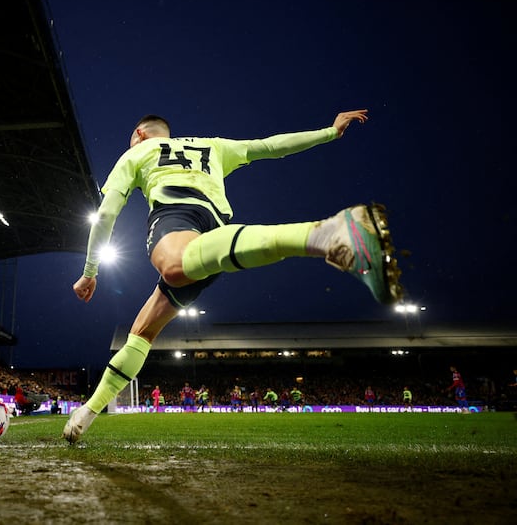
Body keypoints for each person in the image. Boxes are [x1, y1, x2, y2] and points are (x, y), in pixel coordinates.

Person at [63, 110, 404, 443]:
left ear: (139, 134)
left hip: (177, 215)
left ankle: (324, 235)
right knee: (142, 332)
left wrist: (90, 272)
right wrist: (328, 132)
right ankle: (87, 413)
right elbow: (271, 146)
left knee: (172, 266)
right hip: (215, 231)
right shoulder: (213, 145)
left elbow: (106, 213)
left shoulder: (138, 153)